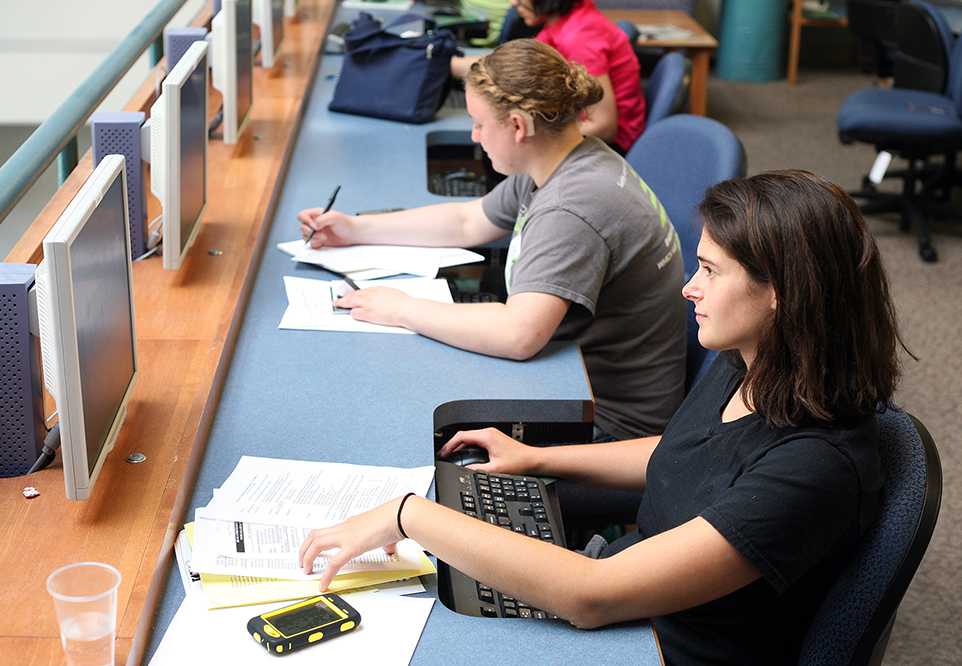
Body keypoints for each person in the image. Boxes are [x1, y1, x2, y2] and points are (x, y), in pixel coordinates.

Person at [298, 170, 910, 665]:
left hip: (656, 644)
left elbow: (589, 597)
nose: (689, 289)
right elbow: (685, 453)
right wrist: (539, 458)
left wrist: (410, 516)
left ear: (782, 292)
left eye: (711, 271)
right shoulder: (755, 359)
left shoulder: (816, 466)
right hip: (633, 600)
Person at [299, 39, 686, 442]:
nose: (474, 136)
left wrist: (402, 308)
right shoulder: (566, 158)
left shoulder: (571, 208)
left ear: (518, 126)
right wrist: (357, 229)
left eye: (480, 123)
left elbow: (518, 335)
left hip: (607, 425)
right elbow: (468, 221)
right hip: (570, 383)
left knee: (397, 420)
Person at [451, 0, 646, 153]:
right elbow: (509, 65)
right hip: (579, 122)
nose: (513, 3)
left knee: (506, 137)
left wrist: (536, 133)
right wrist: (450, 64)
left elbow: (604, 126)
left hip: (608, 147)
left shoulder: (579, 37)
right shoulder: (565, 19)